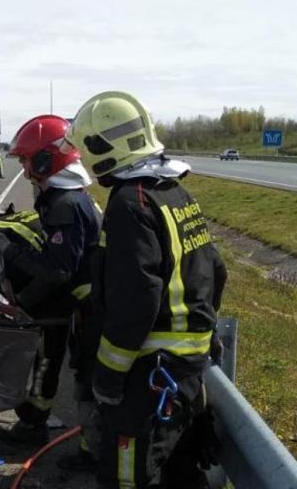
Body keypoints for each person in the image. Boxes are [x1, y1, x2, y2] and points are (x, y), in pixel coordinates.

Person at [65, 91, 227, 488]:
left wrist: (108, 374)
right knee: (180, 475)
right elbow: (217, 271)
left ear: (103, 147)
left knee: (126, 479)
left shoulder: (129, 204)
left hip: (148, 382)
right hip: (185, 377)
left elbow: (136, 301)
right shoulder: (175, 193)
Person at [0, 114, 102, 447]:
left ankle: (34, 427)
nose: (23, 167)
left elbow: (57, 271)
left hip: (80, 304)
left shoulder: (65, 203)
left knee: (48, 360)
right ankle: (83, 442)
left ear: (45, 157)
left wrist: (10, 257)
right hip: (82, 300)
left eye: (26, 158)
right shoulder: (66, 194)